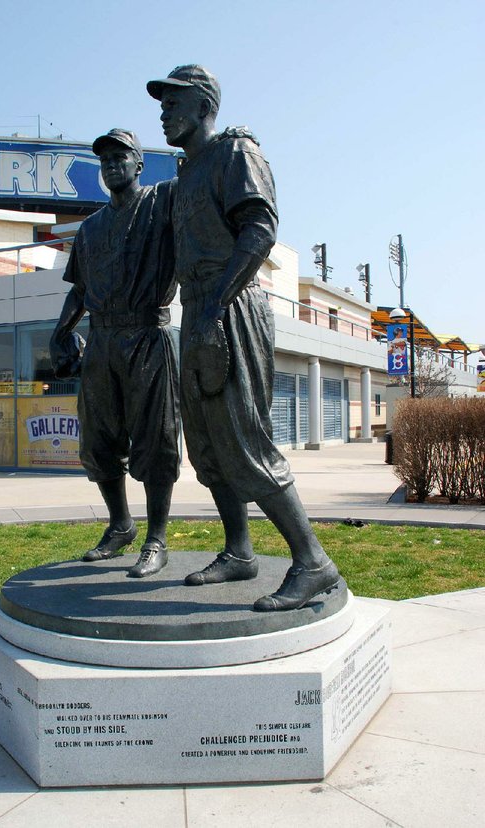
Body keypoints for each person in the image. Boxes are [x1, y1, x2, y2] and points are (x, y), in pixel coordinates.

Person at [147, 65, 341, 610]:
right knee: (207, 445)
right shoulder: (186, 174)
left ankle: (313, 563)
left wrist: (213, 306)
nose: (163, 111)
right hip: (199, 310)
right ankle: (240, 551)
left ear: (204, 104)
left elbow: (259, 230)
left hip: (230, 306)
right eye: (161, 103)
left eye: (173, 101)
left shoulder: (236, 154)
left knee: (243, 439)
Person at [49, 129, 179, 578]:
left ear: (139, 164)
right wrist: (61, 331)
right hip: (101, 341)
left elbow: (202, 181)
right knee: (98, 440)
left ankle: (157, 537)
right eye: (104, 159)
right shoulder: (90, 228)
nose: (111, 164)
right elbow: (79, 290)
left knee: (156, 438)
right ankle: (120, 525)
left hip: (146, 332)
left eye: (120, 156)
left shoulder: (162, 204)